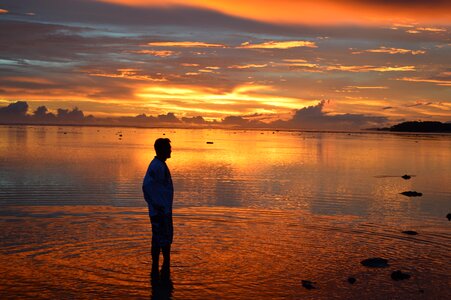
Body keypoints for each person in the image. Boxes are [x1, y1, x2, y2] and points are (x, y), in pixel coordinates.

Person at [142, 138, 174, 281]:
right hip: (160, 211)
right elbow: (146, 187)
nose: (170, 150)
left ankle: (163, 265)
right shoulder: (157, 166)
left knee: (163, 238)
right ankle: (159, 267)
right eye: (168, 148)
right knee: (160, 238)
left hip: (163, 210)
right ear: (161, 150)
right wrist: (158, 205)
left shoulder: (159, 165)